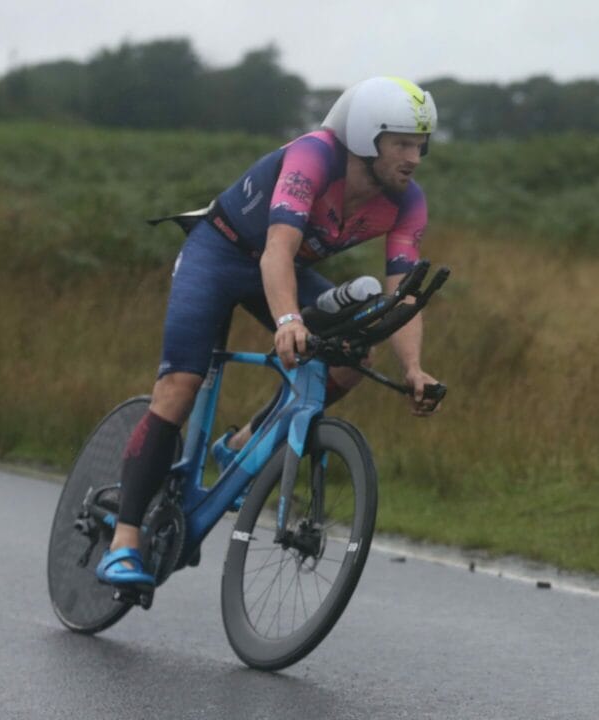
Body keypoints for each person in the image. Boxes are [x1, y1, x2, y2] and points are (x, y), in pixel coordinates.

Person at [95, 76, 444, 586]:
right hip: (220, 254)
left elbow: (403, 294)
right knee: (179, 388)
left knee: (352, 358)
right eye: (402, 144)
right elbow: (277, 248)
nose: (414, 157)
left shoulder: (407, 201)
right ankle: (123, 542)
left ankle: (241, 444)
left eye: (421, 145)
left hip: (278, 268)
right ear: (368, 138)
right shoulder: (314, 158)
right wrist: (288, 321)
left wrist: (413, 367)